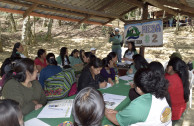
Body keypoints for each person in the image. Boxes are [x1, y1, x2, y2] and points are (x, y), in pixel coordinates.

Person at [105, 68, 172, 126]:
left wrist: (103, 109)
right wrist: (121, 113)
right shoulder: (161, 94)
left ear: (138, 88)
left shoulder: (140, 104)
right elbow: (145, 115)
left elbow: (117, 121)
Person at [165, 57, 189, 122]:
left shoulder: (169, 80)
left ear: (170, 67)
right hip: (181, 109)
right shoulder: (181, 75)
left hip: (173, 114)